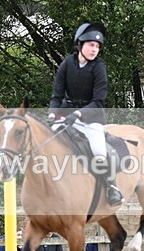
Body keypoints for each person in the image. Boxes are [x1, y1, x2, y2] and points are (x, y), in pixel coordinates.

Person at [48, 22, 123, 206]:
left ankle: (112, 187)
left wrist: (78, 115)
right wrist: (51, 115)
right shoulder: (66, 64)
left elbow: (98, 101)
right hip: (66, 115)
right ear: (80, 45)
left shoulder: (99, 67)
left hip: (91, 118)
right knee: (48, 142)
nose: (94, 49)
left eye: (97, 46)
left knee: (98, 150)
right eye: (91, 45)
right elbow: (57, 95)